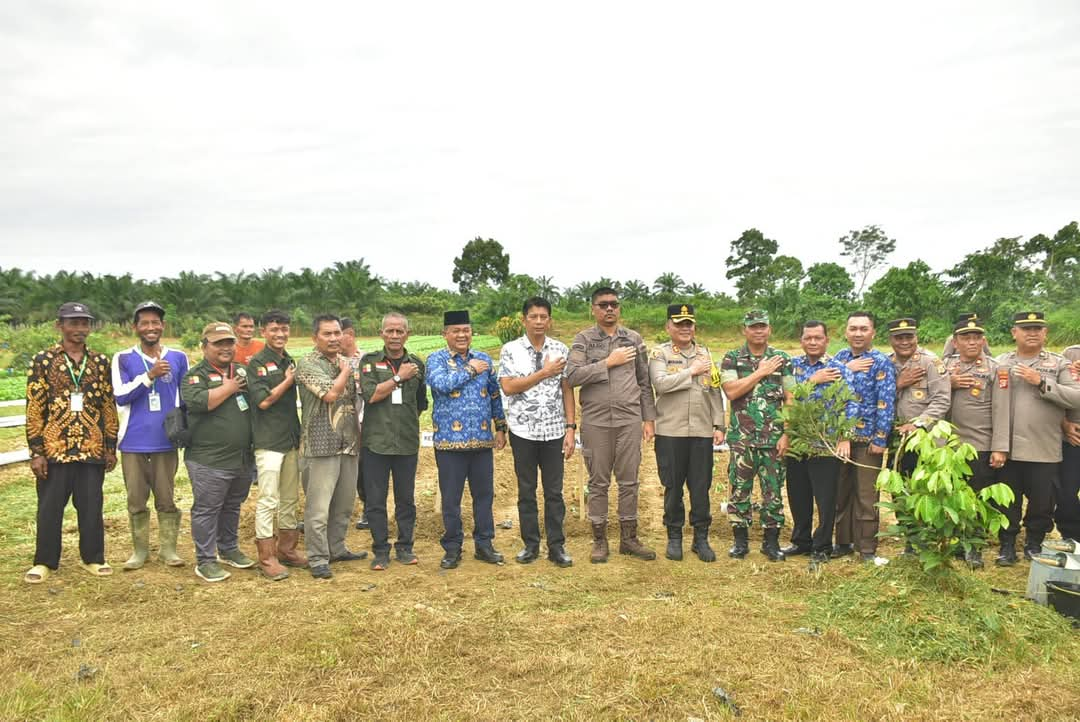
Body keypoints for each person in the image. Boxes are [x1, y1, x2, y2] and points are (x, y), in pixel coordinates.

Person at [24, 302, 119, 584]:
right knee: (50, 508)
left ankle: (93, 558)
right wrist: (36, 451)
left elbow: (107, 406)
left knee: (91, 507)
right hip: (55, 450)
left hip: (91, 448)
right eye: (73, 323)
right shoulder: (43, 361)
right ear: (60, 325)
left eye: (84, 323)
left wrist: (110, 446)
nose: (80, 329)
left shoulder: (100, 362)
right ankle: (44, 562)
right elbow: (34, 407)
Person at [566, 287, 657, 563]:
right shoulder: (584, 339)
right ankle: (599, 540)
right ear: (593, 309)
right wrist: (608, 362)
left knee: (629, 480)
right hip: (596, 421)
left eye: (614, 304)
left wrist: (648, 419)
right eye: (603, 304)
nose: (609, 309)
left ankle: (629, 538)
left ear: (619, 308)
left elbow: (644, 382)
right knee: (598, 482)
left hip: (628, 419)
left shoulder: (633, 339)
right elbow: (572, 375)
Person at [992, 312, 1080, 564]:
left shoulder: (1059, 364)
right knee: (1008, 499)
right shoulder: (1000, 362)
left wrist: (1041, 381)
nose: (1032, 333)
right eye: (1026, 328)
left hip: (1044, 445)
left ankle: (1034, 543)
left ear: (1045, 333)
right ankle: (1007, 545)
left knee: (1042, 502)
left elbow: (1076, 396)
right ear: (1014, 333)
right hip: (1007, 445)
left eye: (1037, 329)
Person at [498, 298, 576, 568]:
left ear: (550, 320)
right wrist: (543, 373)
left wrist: (570, 427)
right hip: (523, 431)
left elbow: (567, 390)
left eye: (544, 317)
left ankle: (557, 546)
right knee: (526, 491)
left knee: (554, 492)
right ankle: (530, 545)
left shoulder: (560, 349)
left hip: (554, 430)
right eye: (534, 316)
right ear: (524, 320)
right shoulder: (510, 350)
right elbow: (509, 387)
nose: (539, 321)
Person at [427, 310, 507, 569]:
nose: (462, 335)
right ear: (445, 334)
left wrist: (500, 427)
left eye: (466, 331)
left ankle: (484, 544)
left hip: (482, 441)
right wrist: (470, 370)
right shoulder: (436, 359)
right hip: (449, 442)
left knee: (484, 496)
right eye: (456, 331)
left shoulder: (484, 359)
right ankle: (452, 548)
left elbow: (495, 395)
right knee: (451, 499)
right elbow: (441, 385)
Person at [111, 301, 188, 571]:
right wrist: (149, 376)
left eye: (156, 322)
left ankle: (168, 550)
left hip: (165, 440)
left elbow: (185, 397)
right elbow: (120, 395)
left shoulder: (178, 357)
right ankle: (139, 551)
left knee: (166, 497)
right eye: (145, 323)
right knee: (135, 498)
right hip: (133, 440)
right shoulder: (123, 358)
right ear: (136, 327)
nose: (151, 327)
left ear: (162, 326)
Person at [180, 322, 257, 582]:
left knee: (232, 506)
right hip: (209, 459)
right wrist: (230, 388)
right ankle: (205, 560)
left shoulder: (243, 370)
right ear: (204, 347)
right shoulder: (195, 375)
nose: (225, 348)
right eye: (218, 343)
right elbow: (201, 402)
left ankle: (229, 548)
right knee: (207, 509)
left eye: (229, 342)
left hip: (241, 457)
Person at [649, 303, 725, 562]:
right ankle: (674, 536)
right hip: (670, 430)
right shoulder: (660, 354)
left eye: (689, 324)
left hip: (702, 430)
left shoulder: (705, 354)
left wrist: (719, 424)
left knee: (701, 487)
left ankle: (701, 538)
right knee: (672, 486)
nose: (685, 328)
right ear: (668, 326)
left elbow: (714, 389)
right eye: (679, 323)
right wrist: (690, 371)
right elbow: (660, 384)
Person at [296, 314, 368, 579]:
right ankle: (317, 557)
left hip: (348, 443)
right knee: (318, 507)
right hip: (320, 444)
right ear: (315, 337)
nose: (334, 338)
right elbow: (330, 395)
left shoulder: (342, 361)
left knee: (344, 503)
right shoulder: (307, 364)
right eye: (327, 334)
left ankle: (337, 548)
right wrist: (349, 369)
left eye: (337, 333)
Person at [720, 309, 795, 562]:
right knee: (739, 491)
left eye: (762, 326)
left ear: (769, 329)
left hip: (774, 440)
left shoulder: (782, 359)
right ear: (745, 330)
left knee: (773, 492)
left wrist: (787, 433)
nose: (758, 330)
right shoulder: (732, 359)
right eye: (753, 326)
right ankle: (740, 543)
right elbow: (731, 391)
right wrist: (760, 372)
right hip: (742, 439)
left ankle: (771, 543)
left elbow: (791, 399)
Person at [358, 312, 427, 570]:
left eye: (400, 331)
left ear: (407, 334)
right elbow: (371, 395)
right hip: (376, 442)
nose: (395, 336)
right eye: (390, 331)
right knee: (375, 500)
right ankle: (380, 550)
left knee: (405, 499)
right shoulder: (369, 362)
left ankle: (405, 547)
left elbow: (421, 403)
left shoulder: (417, 364)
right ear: (382, 334)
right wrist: (399, 378)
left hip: (407, 442)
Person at [783, 320, 855, 563]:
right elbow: (787, 398)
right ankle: (801, 541)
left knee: (825, 499)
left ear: (827, 340)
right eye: (808, 338)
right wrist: (812, 380)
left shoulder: (839, 368)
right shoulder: (791, 367)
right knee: (798, 494)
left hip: (825, 444)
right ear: (801, 340)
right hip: (797, 443)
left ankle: (822, 546)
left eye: (817, 338)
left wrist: (846, 437)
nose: (812, 342)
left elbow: (851, 404)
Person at [943, 313, 1010, 568]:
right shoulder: (944, 366)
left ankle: (974, 546)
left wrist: (1000, 447)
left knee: (978, 497)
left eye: (976, 337)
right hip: (948, 445)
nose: (971, 342)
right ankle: (956, 542)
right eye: (965, 337)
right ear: (955, 341)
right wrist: (948, 383)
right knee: (952, 495)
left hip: (980, 444)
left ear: (983, 340)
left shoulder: (995, 368)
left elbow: (1002, 410)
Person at [832, 311, 896, 561]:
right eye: (853, 329)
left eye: (863, 329)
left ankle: (866, 548)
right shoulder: (839, 357)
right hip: (840, 439)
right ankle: (843, 542)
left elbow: (886, 402)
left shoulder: (880, 361)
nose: (858, 333)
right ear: (846, 332)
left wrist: (880, 438)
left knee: (866, 496)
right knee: (841, 493)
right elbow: (831, 394)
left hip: (867, 441)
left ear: (873, 333)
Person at [247, 309, 305, 580]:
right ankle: (266, 556)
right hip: (268, 441)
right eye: (274, 329)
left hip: (290, 438)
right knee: (269, 499)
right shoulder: (257, 363)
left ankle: (287, 549)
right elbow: (263, 401)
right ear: (263, 332)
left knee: (291, 497)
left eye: (284, 329)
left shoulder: (288, 360)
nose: (280, 334)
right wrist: (289, 380)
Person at [887, 317, 951, 476]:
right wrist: (898, 384)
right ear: (890, 340)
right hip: (898, 440)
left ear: (917, 337)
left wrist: (918, 424)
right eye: (899, 338)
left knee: (927, 491)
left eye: (909, 337)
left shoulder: (931, 362)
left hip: (927, 440)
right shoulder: (886, 363)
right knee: (899, 490)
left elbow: (942, 400)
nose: (904, 342)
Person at [340, 317, 369, 531]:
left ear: (349, 335)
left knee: (364, 467)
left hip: (364, 419)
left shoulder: (366, 360)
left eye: (338, 334)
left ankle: (368, 509)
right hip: (339, 421)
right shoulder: (332, 361)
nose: (335, 340)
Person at [1058, 344, 1080, 543]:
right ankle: (1072, 536)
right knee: (1067, 491)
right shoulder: (1071, 353)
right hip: (1073, 437)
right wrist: (1063, 424)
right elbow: (1058, 394)